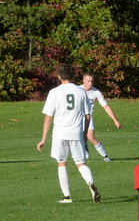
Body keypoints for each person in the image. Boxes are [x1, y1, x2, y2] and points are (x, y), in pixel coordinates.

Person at [37, 64, 101, 203]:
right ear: (74, 76)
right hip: (76, 131)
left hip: (60, 132)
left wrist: (43, 139)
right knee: (80, 162)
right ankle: (90, 182)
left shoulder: (54, 92)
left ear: (58, 76)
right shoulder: (81, 91)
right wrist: (84, 134)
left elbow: (48, 117)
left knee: (61, 163)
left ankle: (67, 196)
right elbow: (87, 116)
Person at [80, 73, 122, 162]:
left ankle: (105, 156)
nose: (90, 83)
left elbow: (106, 107)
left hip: (88, 117)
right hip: (76, 117)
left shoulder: (96, 92)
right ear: (83, 81)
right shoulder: (77, 90)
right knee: (75, 137)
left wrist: (115, 120)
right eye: (88, 81)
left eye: (92, 81)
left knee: (90, 136)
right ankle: (84, 146)